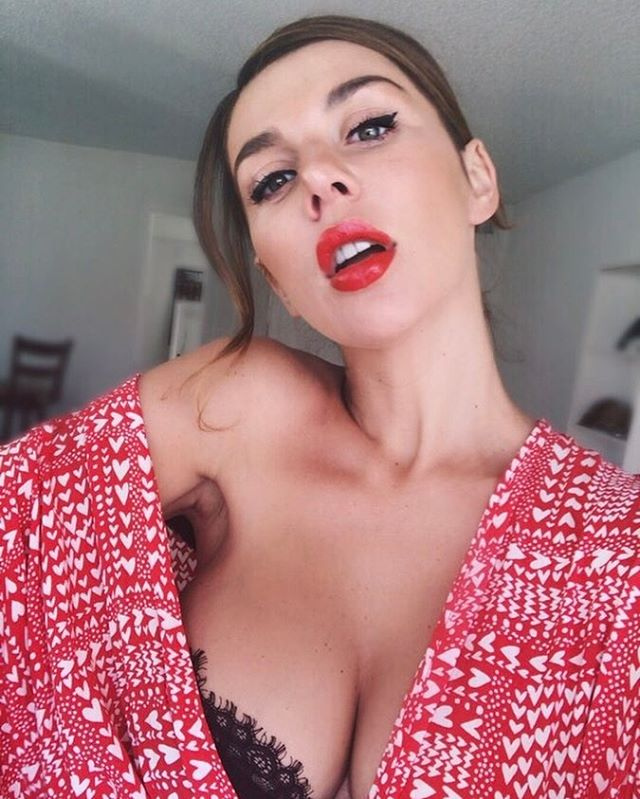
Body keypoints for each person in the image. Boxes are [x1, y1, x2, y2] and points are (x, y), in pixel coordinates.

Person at [1, 14, 639, 799]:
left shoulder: (616, 551)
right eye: (271, 179)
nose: (320, 181)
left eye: (369, 127)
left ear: (477, 178)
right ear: (277, 280)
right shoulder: (239, 409)